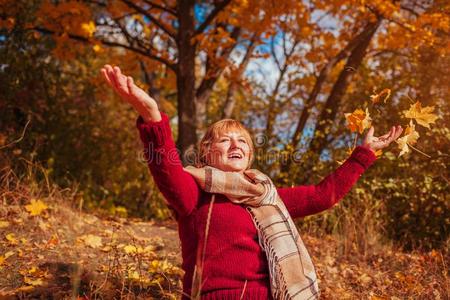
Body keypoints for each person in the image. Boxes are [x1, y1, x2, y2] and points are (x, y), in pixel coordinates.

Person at [101, 64, 403, 300]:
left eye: (243, 141)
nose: (236, 145)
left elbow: (324, 195)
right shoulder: (194, 193)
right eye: (225, 139)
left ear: (250, 154)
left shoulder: (264, 196)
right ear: (207, 152)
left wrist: (364, 154)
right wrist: (152, 116)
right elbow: (165, 167)